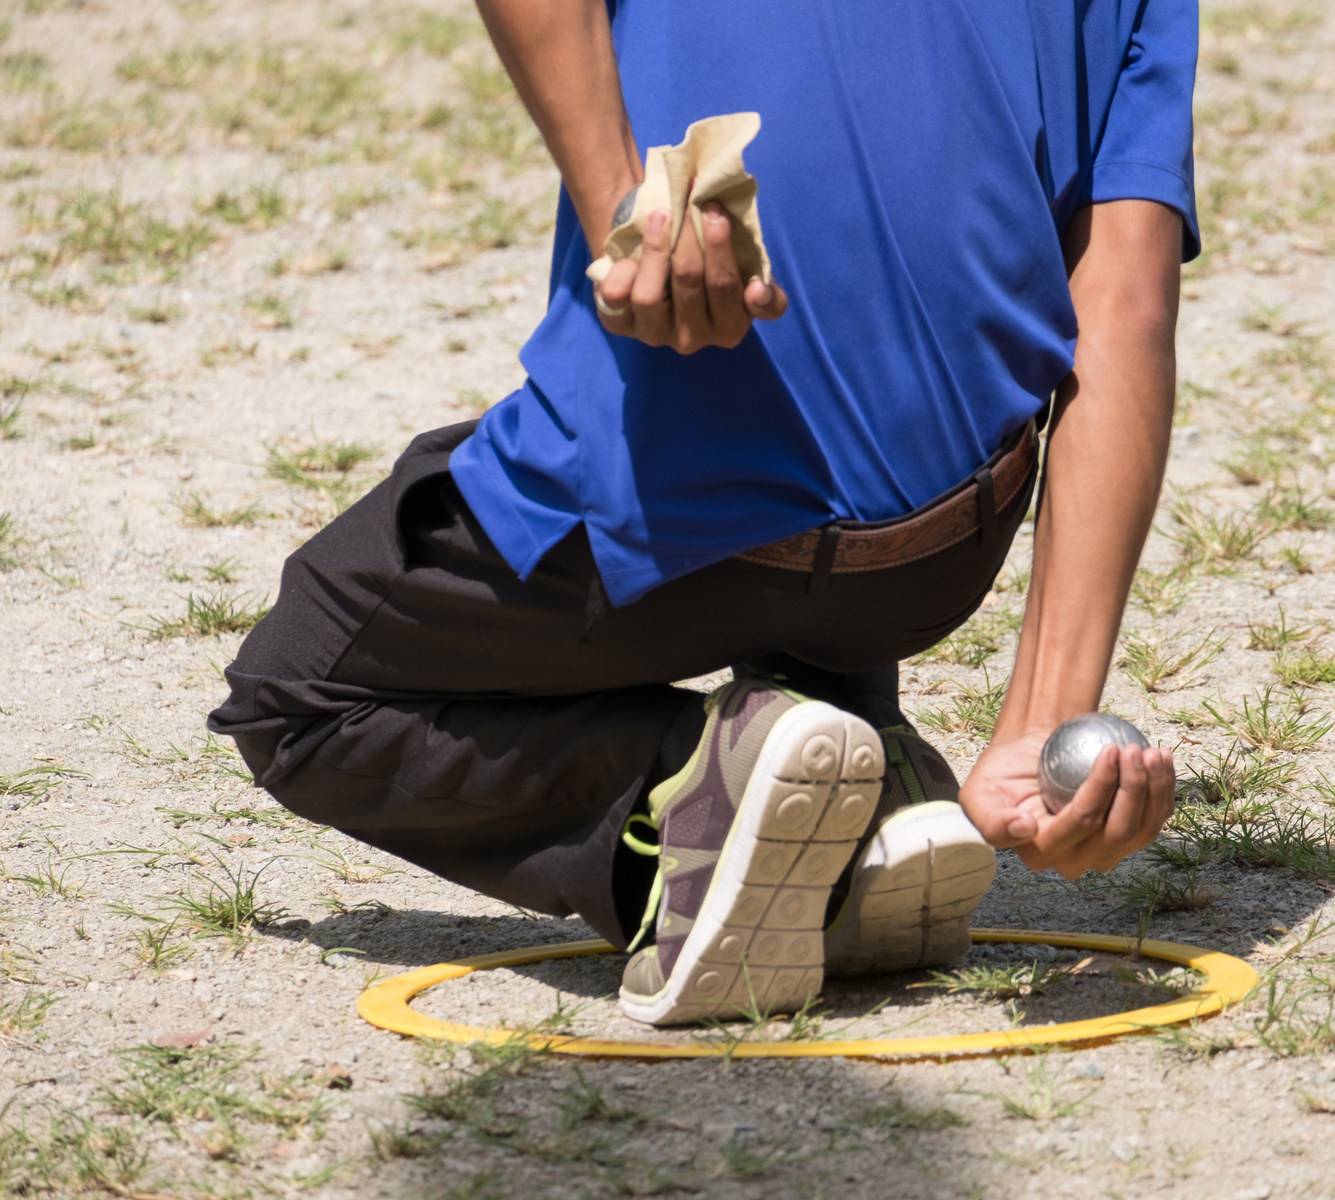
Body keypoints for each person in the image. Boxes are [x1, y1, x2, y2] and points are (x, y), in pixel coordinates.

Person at [209, 0, 1196, 1026]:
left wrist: (618, 212)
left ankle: (693, 809)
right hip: (935, 547)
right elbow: (1126, 304)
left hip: (682, 507)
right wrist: (1041, 725)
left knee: (296, 690)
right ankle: (865, 764)